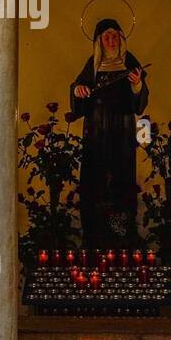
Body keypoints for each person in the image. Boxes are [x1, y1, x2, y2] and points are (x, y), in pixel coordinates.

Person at [68, 18, 149, 250]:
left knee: (121, 174)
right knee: (96, 176)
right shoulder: (93, 64)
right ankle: (95, 233)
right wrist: (79, 89)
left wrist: (136, 85)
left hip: (122, 129)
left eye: (115, 35)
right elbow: (78, 90)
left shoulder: (129, 61)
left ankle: (122, 233)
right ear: (99, 41)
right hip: (96, 130)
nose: (111, 40)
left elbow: (140, 101)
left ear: (121, 38)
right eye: (106, 36)